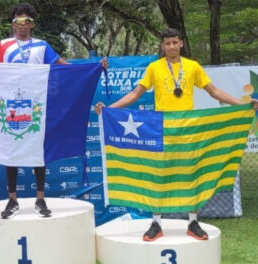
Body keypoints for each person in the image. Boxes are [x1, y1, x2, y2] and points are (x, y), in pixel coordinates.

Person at [95, 28, 258, 242]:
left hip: (187, 130)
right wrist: (109, 108)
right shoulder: (154, 68)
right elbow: (136, 93)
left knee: (189, 175)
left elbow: (215, 92)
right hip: (160, 129)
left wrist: (244, 104)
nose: (171, 46)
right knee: (159, 176)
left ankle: (193, 222)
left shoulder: (193, 67)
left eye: (175, 42)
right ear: (162, 46)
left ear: (181, 43)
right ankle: (156, 223)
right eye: (167, 43)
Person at [0, 3, 108, 219]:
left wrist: (92, 68)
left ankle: (40, 199)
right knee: (11, 152)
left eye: (26, 21)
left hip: (37, 105)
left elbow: (64, 65)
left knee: (39, 152)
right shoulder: (4, 45)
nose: (22, 25)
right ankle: (12, 200)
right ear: (13, 24)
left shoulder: (42, 46)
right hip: (10, 105)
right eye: (18, 21)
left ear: (32, 24)